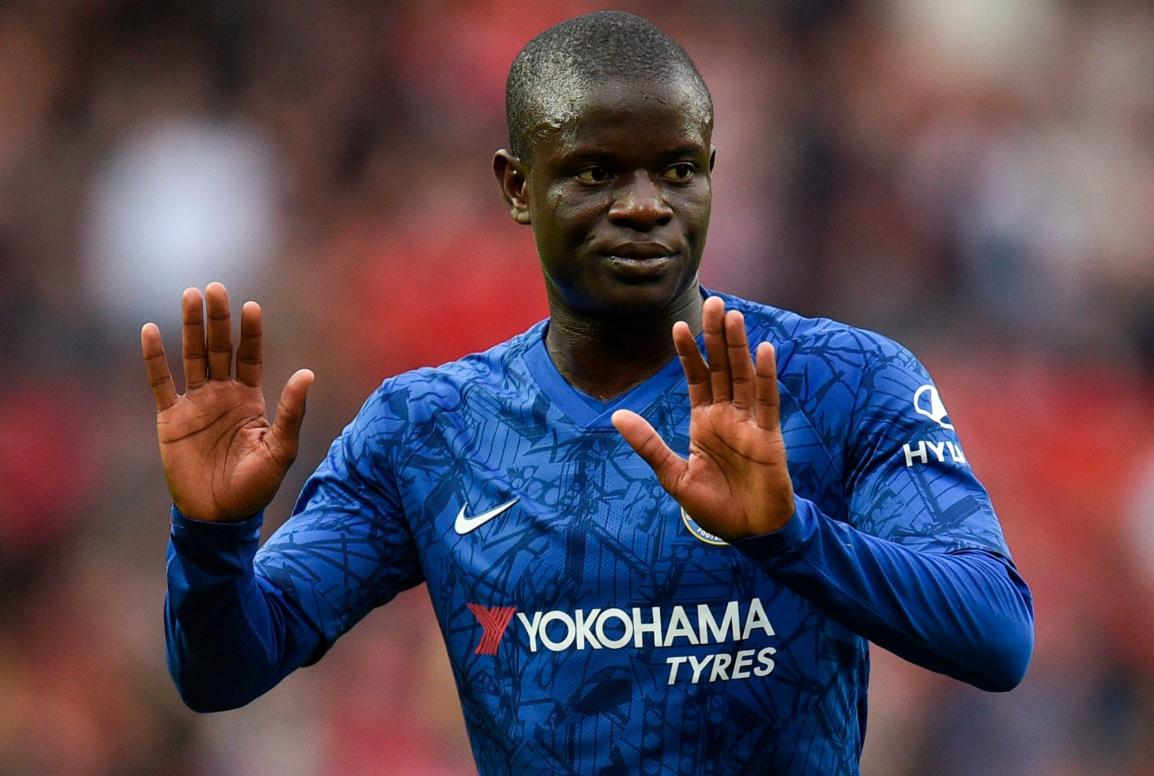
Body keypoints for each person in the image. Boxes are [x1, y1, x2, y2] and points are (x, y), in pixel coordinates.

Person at [141, 11, 1033, 774]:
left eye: (678, 169)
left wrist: (788, 536)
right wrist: (214, 539)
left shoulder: (840, 381)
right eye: (597, 172)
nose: (645, 204)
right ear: (518, 186)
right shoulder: (429, 429)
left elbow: (997, 635)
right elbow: (225, 672)